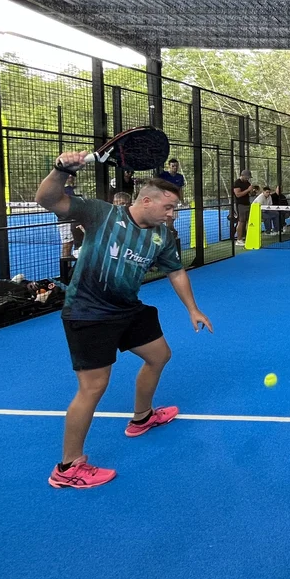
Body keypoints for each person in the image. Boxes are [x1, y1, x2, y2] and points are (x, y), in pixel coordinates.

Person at [37, 154, 213, 489]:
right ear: (146, 201)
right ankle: (68, 467)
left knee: (159, 355)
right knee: (93, 387)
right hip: (88, 312)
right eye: (168, 207)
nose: (172, 214)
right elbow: (47, 199)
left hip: (127, 308)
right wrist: (61, 170)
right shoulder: (101, 213)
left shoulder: (161, 236)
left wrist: (193, 308)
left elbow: (176, 271)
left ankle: (142, 418)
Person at [157, 158, 186, 239]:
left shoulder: (180, 177)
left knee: (170, 223)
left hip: (175, 202)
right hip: (165, 202)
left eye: (176, 166)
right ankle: (172, 235)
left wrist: (182, 200)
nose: (175, 168)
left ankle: (172, 235)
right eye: (173, 166)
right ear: (169, 166)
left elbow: (180, 189)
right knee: (168, 222)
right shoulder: (163, 175)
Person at [232, 169, 257, 245]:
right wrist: (248, 190)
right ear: (242, 175)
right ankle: (238, 240)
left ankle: (245, 236)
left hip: (247, 203)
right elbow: (238, 195)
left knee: (247, 221)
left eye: (248, 177)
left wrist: (253, 191)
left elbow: (251, 194)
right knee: (241, 221)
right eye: (246, 177)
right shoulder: (237, 183)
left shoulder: (247, 183)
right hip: (240, 204)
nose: (247, 179)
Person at [57, 174, 78, 260]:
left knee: (74, 243)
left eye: (72, 176)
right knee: (67, 245)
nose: (71, 177)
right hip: (65, 221)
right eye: (69, 176)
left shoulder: (72, 189)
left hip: (74, 220)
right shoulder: (61, 190)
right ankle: (65, 266)